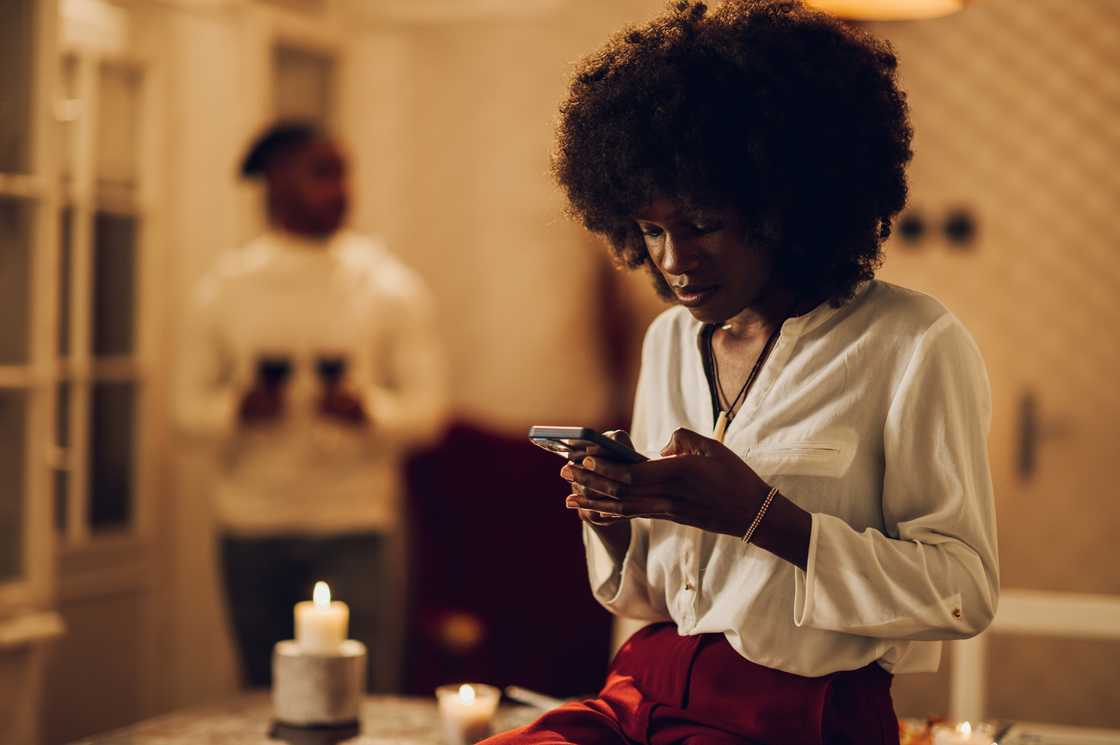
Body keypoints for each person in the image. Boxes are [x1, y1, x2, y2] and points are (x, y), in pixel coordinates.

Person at [485, 2, 998, 743]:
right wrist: (611, 514)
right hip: (645, 687)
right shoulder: (670, 340)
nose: (672, 261)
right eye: (652, 230)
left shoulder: (912, 342)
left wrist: (763, 517)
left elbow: (963, 592)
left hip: (798, 713)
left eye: (700, 225)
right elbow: (654, 594)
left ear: (784, 207)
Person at [175, 121, 447, 690]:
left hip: (356, 523)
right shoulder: (226, 288)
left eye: (344, 172)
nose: (341, 188)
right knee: (260, 694)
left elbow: (429, 412)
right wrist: (237, 409)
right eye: (322, 173)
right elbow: (183, 411)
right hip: (251, 523)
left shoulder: (387, 286)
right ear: (274, 181)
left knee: (361, 693)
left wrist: (368, 410)